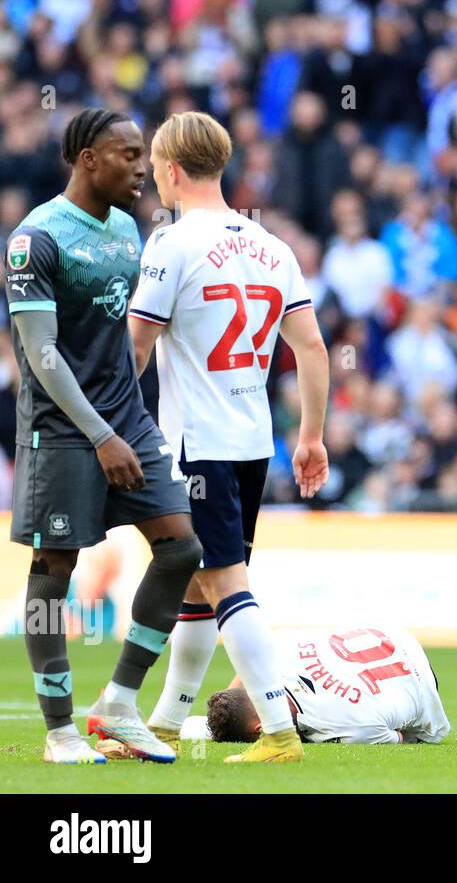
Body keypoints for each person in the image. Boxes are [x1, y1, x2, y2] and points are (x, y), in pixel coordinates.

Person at [125, 111, 331, 763]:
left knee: (223, 582)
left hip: (198, 442)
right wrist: (313, 437)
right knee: (195, 584)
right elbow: (313, 348)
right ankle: (161, 726)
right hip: (252, 441)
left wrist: (109, 422)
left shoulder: (171, 244)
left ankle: (277, 730)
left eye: (155, 168)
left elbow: (136, 344)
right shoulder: (272, 247)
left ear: (173, 170)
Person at [4, 108, 203, 764]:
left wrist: (128, 421)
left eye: (144, 154)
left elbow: (118, 330)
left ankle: (119, 702)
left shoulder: (126, 229)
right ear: (88, 157)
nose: (143, 167)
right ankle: (60, 729)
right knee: (52, 572)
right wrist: (99, 436)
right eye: (128, 154)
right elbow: (43, 356)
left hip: (127, 419)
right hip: (62, 430)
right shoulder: (37, 239)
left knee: (180, 548)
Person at [199, 623, 450, 746]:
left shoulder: (340, 729)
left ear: (260, 729)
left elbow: (403, 739)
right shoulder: (277, 650)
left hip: (426, 688)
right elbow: (252, 656)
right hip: (393, 634)